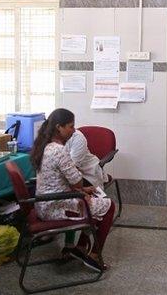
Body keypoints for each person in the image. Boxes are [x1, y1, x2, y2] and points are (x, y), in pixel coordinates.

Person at [30, 108, 115, 271]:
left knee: (95, 204)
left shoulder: (45, 146)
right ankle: (94, 255)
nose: (73, 129)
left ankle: (79, 248)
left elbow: (64, 180)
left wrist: (82, 191)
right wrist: (81, 191)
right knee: (109, 206)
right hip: (56, 207)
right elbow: (76, 181)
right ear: (58, 127)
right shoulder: (59, 150)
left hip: (45, 203)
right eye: (70, 126)